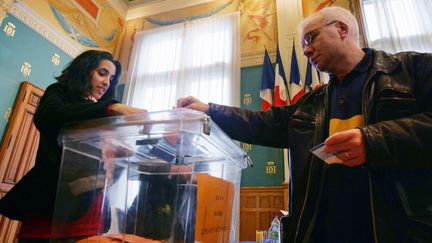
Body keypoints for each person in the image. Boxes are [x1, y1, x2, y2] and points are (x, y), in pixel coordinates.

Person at [177, 6, 432, 243]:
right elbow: (261, 123)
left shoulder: (412, 70)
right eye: (303, 47)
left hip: (401, 231)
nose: (307, 51)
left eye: (311, 38)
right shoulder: (311, 103)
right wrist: (209, 110)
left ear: (342, 29)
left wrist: (374, 141)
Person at [0, 50, 146, 242]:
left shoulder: (103, 113)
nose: (106, 82)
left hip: (92, 208)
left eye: (111, 79)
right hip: (53, 205)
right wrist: (111, 107)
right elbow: (49, 116)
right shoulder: (60, 93)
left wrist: (118, 155)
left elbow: (106, 170)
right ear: (85, 71)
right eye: (102, 74)